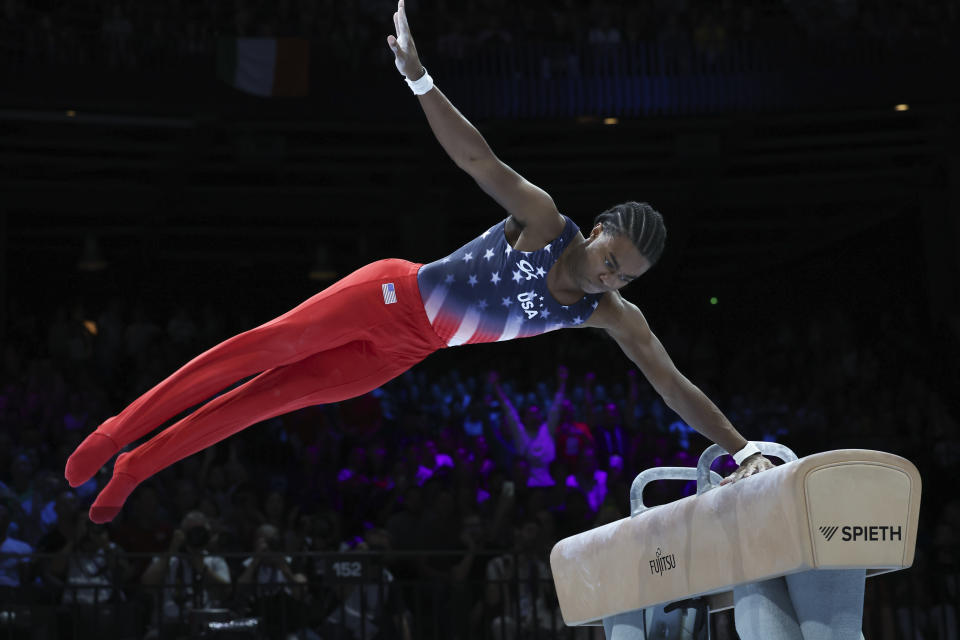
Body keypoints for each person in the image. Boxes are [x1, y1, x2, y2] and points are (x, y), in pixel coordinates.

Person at [64, 0, 772, 524]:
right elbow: (476, 159)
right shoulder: (544, 221)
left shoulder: (610, 315)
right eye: (613, 260)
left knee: (264, 401)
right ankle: (114, 435)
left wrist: (742, 449)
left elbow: (674, 386)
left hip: (404, 351)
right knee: (260, 352)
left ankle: (134, 470)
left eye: (626, 277)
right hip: (387, 295)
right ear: (595, 233)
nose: (611, 278)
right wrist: (421, 81)